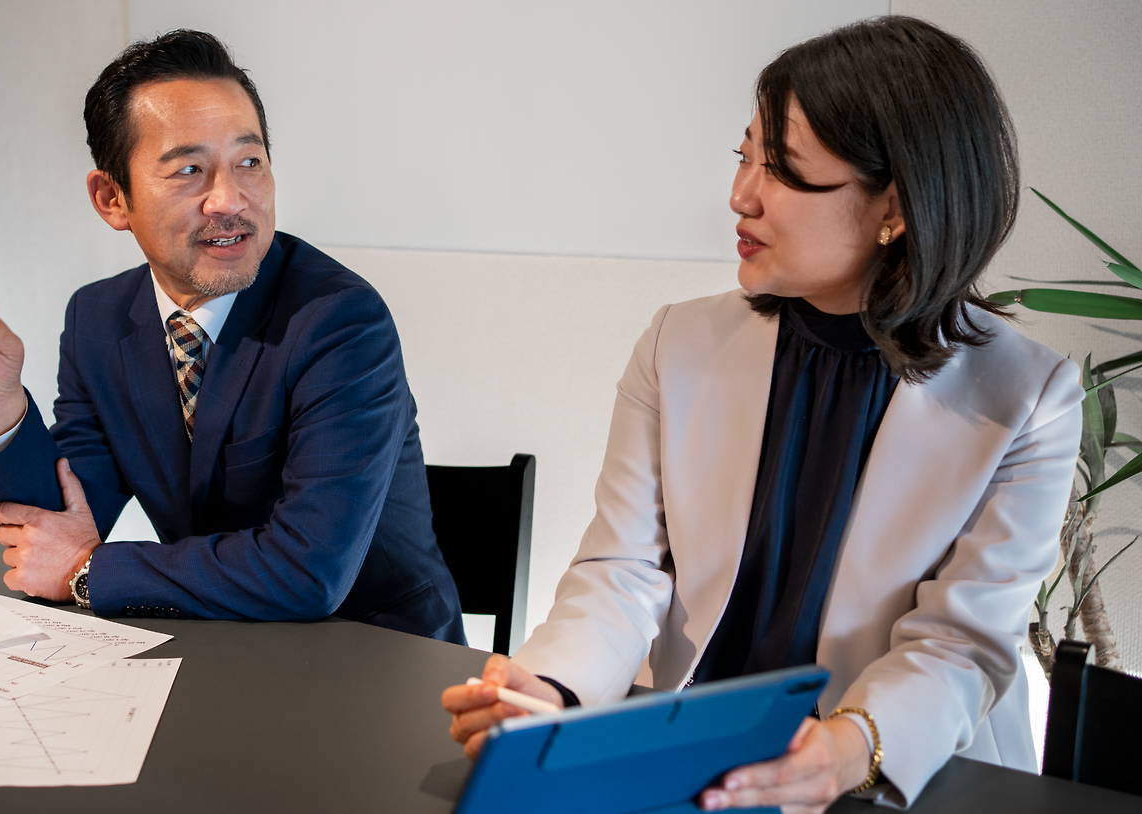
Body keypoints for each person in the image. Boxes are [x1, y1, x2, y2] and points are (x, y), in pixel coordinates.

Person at [442, 16, 1080, 811]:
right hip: (702, 762)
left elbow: (960, 645)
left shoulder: (1028, 397)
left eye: (782, 171)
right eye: (745, 156)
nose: (740, 195)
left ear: (896, 206)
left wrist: (845, 750)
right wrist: (549, 687)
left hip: (898, 777)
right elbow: (623, 568)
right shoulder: (679, 342)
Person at [0, 30, 465, 643]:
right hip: (217, 645)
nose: (230, 199)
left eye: (249, 162)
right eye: (190, 170)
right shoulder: (98, 320)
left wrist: (89, 571)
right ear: (112, 198)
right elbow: (65, 520)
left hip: (375, 657)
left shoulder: (339, 320)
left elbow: (308, 570)